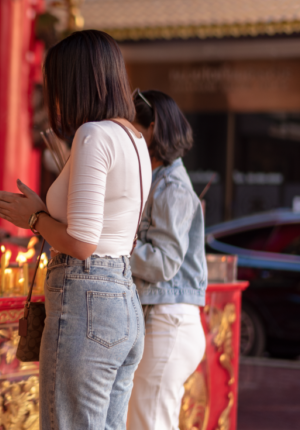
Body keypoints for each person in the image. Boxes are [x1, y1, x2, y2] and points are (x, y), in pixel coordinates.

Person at [0, 30, 151, 430]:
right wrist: (42, 212)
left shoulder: (93, 135)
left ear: (73, 83)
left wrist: (35, 220)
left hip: (87, 298)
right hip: (123, 299)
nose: (51, 98)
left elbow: (81, 243)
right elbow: (108, 228)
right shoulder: (134, 138)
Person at [126, 90, 207, 430]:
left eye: (133, 129)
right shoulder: (158, 179)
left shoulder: (172, 187)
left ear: (152, 127)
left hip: (169, 322)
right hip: (161, 320)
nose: (127, 137)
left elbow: (163, 263)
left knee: (150, 423)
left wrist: (113, 246)